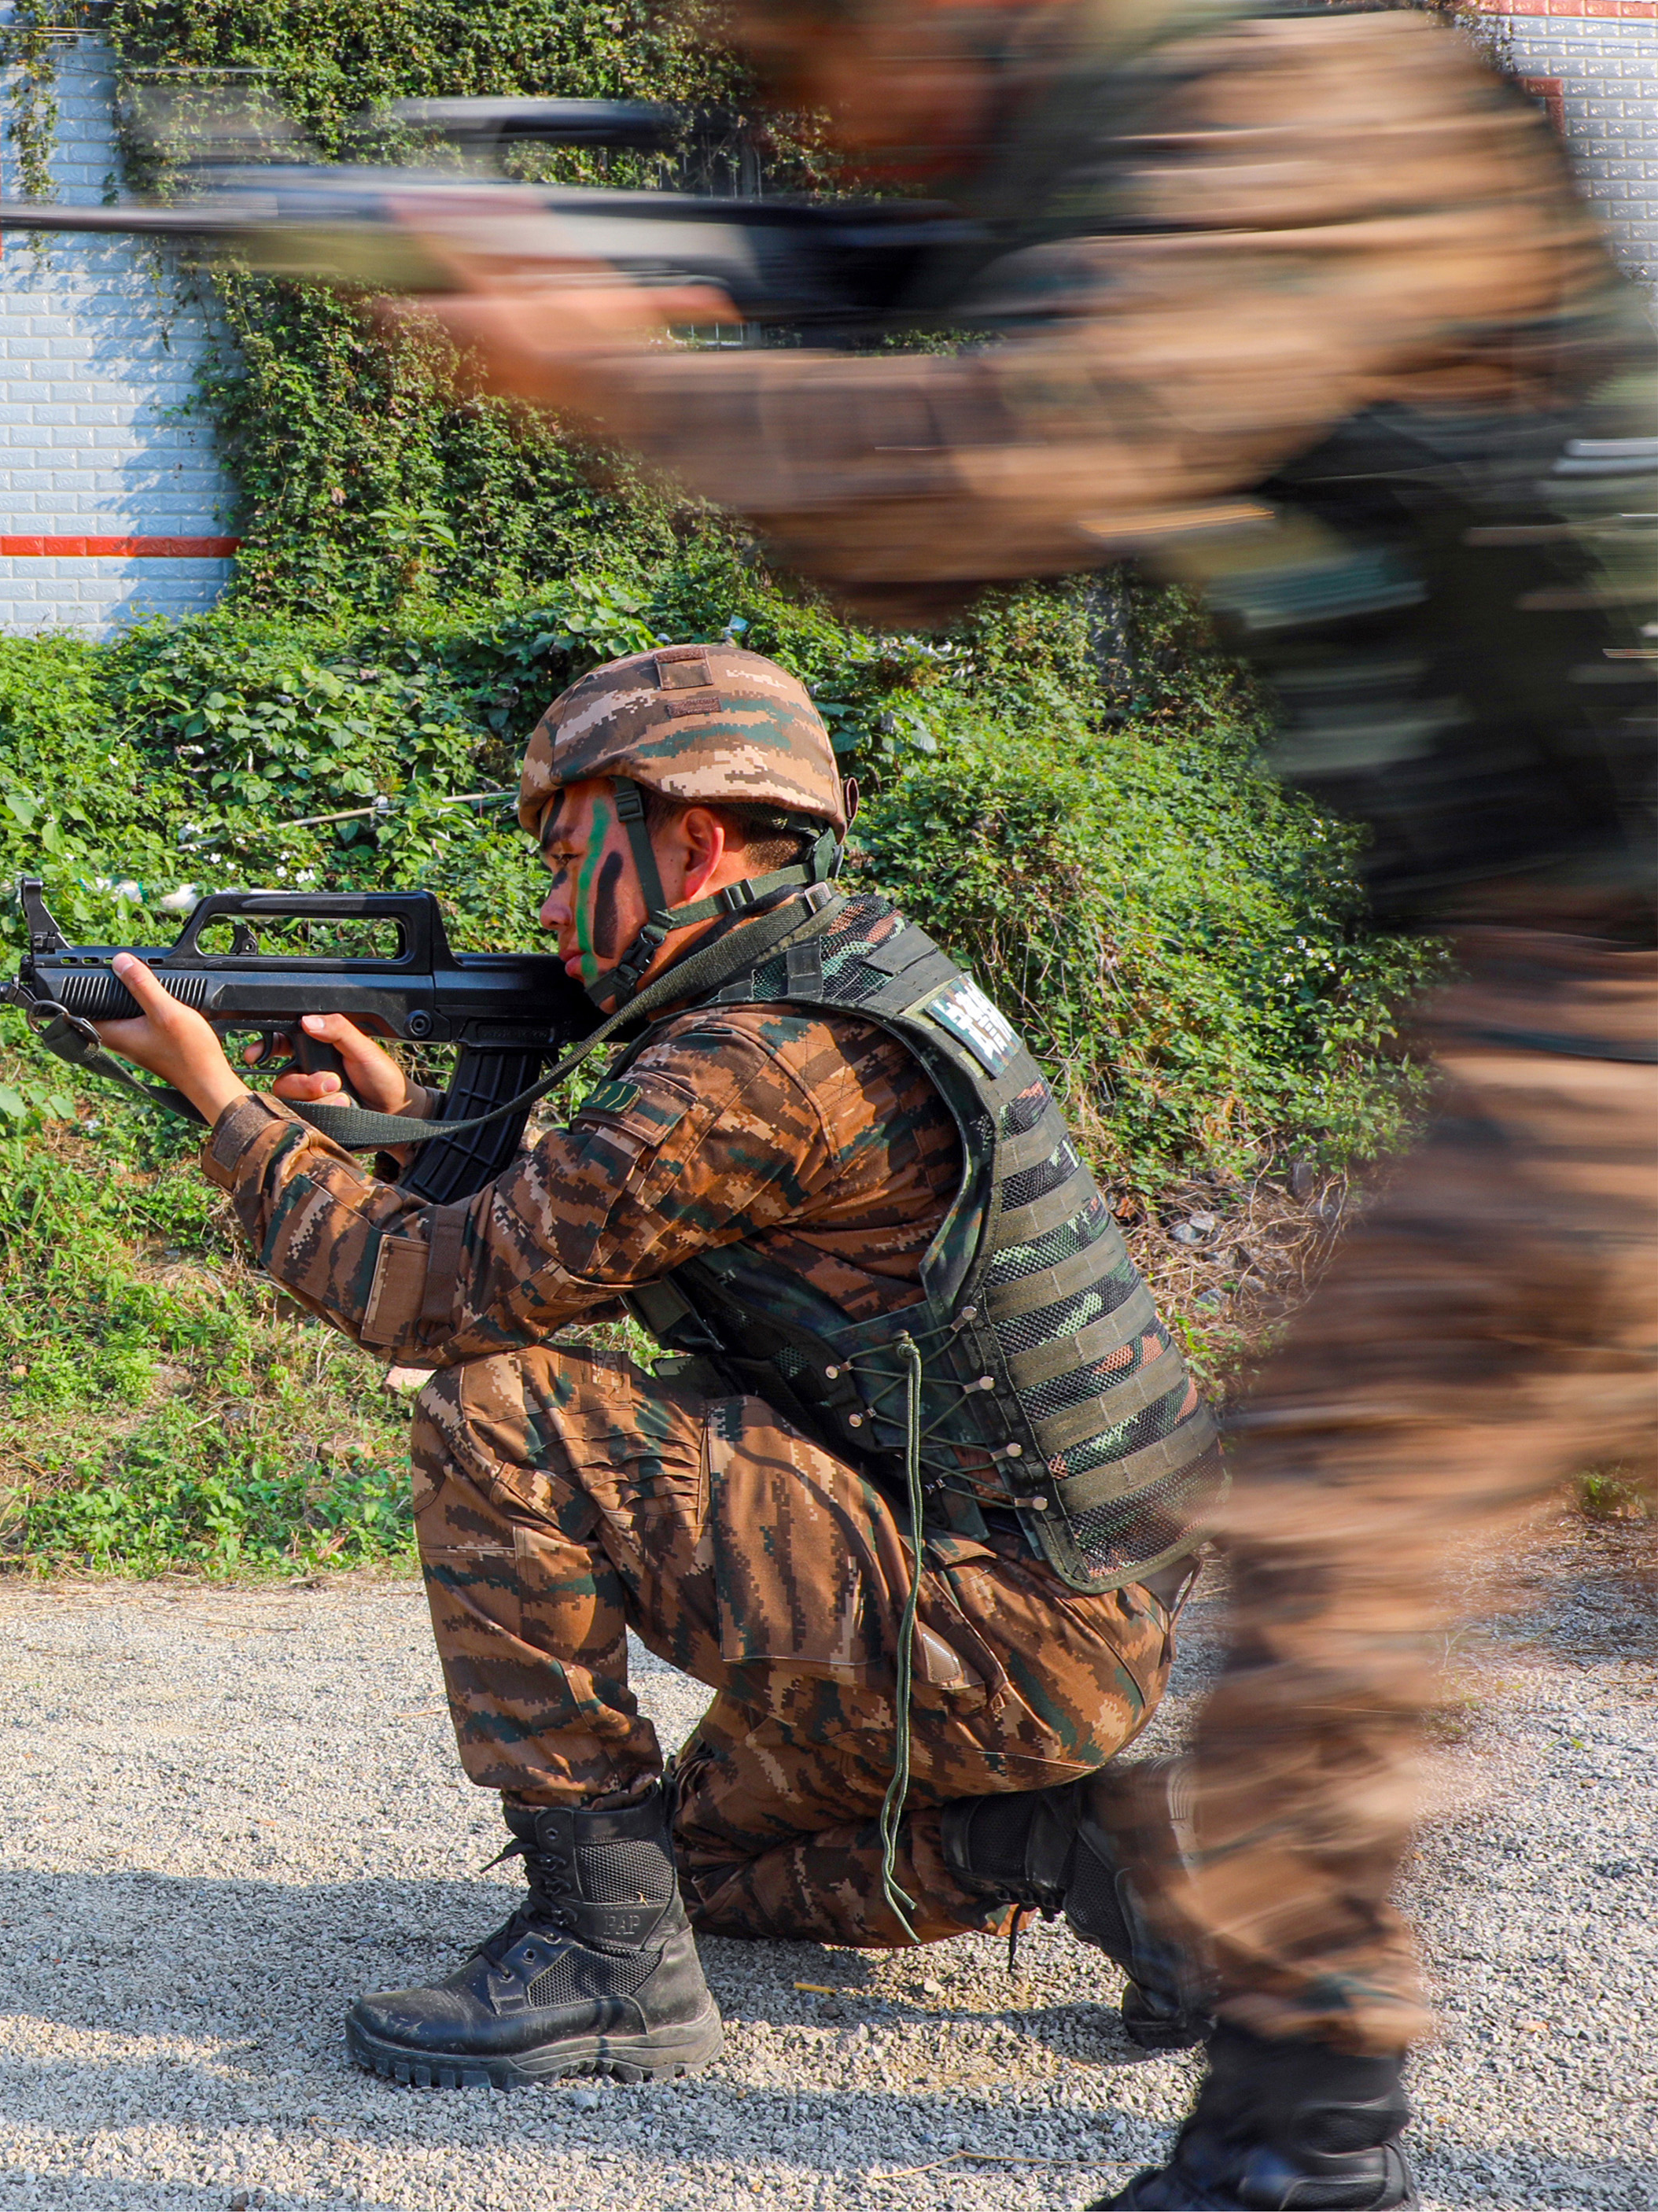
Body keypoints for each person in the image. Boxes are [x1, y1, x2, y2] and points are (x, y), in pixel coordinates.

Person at [384, 6, 1658, 2203]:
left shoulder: (1284, 98)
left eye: (819, 58)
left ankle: (1283, 2128)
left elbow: (997, 473)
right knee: (1334, 1539)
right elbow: (930, 529)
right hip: (1566, 989)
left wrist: (618, 365)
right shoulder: (1136, 165)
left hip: (1608, 993)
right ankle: (1286, 2128)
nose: (825, 117)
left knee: (1333, 1529)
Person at [87, 644, 1214, 2092]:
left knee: (499, 1415)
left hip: (994, 1633)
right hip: (1040, 1608)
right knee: (698, 1871)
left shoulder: (761, 1063)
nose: (549, 903)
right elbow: (567, 1222)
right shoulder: (847, 980)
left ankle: (608, 1971)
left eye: (568, 854)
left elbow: (430, 1302)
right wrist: (397, 1118)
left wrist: (221, 1104)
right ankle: (1071, 1839)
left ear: (687, 838)